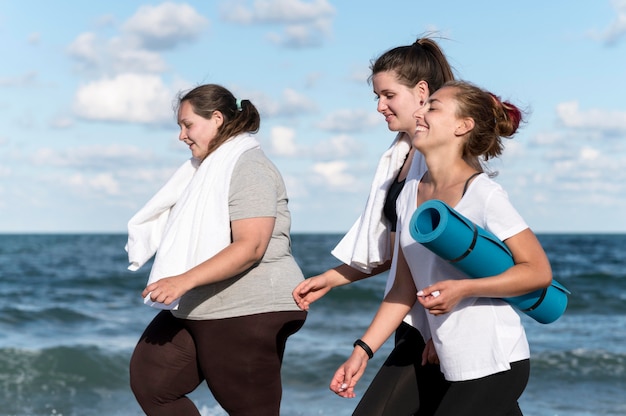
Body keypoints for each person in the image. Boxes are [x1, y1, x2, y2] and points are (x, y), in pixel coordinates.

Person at [330, 80, 553, 416]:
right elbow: (403, 289)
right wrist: (362, 350)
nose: (420, 112)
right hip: (448, 355)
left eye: (432, 107)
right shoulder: (409, 194)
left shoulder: (482, 194)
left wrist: (464, 289)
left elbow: (538, 271)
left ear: (463, 126)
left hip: (494, 361)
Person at [292, 37, 453, 415]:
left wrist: (440, 330)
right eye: (377, 97)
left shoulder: (439, 158)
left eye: (388, 95)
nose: (380, 106)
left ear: (421, 92)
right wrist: (331, 279)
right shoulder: (401, 157)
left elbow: (455, 254)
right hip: (415, 321)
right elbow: (400, 256)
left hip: (438, 324)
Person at [126, 84, 307, 416]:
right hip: (200, 305)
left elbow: (251, 246)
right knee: (152, 382)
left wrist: (182, 280)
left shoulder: (248, 166)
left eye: (188, 124)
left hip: (249, 306)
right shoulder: (205, 170)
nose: (182, 136)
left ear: (218, 119)